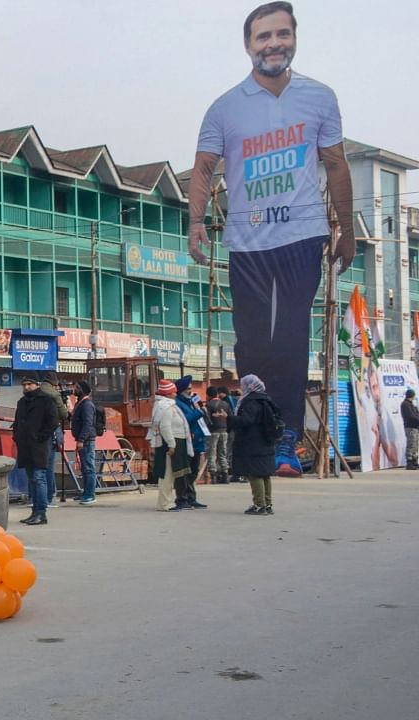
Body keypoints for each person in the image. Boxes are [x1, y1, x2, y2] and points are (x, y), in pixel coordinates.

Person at [188, 2, 354, 464]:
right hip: (247, 240)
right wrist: (196, 222)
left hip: (303, 235)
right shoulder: (224, 108)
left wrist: (345, 229)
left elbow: (337, 165)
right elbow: (202, 169)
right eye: (263, 37)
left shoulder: (319, 96)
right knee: (251, 337)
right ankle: (256, 436)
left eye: (282, 34)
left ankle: (287, 438)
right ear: (248, 46)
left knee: (291, 334)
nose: (274, 44)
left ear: (294, 38)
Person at [230, 374, 282, 515]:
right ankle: (267, 504)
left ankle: (259, 505)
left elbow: (246, 421)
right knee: (265, 474)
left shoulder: (251, 402)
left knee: (255, 474)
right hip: (266, 441)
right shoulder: (266, 399)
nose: (242, 387)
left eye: (244, 385)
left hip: (253, 442)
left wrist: (229, 418)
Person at [14, 374, 59, 526]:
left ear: (37, 385)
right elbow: (17, 422)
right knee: (32, 480)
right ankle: (34, 512)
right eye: (24, 385)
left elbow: (53, 421)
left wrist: (41, 437)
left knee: (39, 478)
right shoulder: (21, 402)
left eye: (29, 384)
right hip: (25, 446)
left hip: (39, 446)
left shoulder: (46, 401)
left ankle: (41, 513)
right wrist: (17, 437)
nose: (26, 387)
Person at [149, 378, 193, 512]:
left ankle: (166, 502)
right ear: (168, 393)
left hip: (172, 442)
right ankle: (164, 503)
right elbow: (165, 427)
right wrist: (172, 444)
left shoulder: (166, 405)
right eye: (173, 392)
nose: (175, 394)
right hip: (169, 444)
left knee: (169, 475)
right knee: (167, 475)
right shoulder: (165, 407)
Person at [174, 376, 209, 509]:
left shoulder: (191, 402)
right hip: (188, 441)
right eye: (188, 389)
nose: (190, 391)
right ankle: (183, 499)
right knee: (185, 472)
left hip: (198, 441)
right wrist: (200, 412)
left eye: (190, 388)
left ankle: (191, 498)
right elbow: (185, 419)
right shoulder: (178, 403)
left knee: (194, 471)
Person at [39, 372, 69, 505]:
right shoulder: (54, 394)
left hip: (37, 432)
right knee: (49, 467)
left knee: (38, 468)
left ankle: (36, 498)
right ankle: (50, 496)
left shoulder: (36, 392)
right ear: (54, 383)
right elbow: (64, 414)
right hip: (51, 431)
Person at [70, 380, 98, 505]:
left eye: (76, 387)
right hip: (83, 440)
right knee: (85, 468)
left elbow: (88, 424)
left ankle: (90, 495)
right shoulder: (80, 403)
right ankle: (85, 492)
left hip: (86, 441)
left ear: (82, 390)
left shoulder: (86, 405)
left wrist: (81, 439)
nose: (74, 389)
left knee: (89, 468)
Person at [206, 386, 234, 483]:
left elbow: (207, 420)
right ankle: (225, 474)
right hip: (224, 431)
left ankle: (213, 475)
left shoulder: (209, 405)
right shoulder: (225, 404)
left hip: (213, 432)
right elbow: (230, 417)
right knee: (223, 453)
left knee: (212, 453)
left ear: (208, 395)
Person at [401, 389, 419, 470]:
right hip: (410, 427)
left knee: (415, 445)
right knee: (411, 445)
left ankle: (415, 461)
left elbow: (416, 414)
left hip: (415, 427)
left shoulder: (411, 404)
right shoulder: (405, 404)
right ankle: (410, 462)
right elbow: (411, 416)